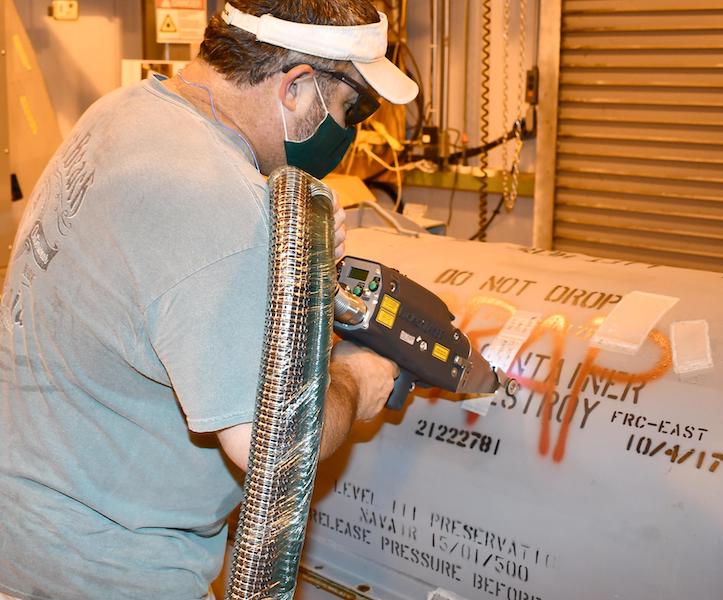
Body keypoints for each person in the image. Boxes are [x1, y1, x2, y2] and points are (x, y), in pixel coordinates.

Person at [0, 1, 418, 598]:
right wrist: (355, 379)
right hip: (102, 574)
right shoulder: (218, 202)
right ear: (296, 89)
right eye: (351, 109)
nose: (350, 133)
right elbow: (272, 451)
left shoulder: (125, 112)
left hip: (24, 538)